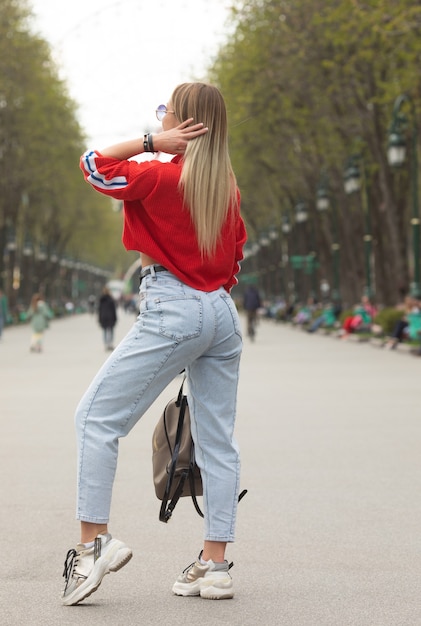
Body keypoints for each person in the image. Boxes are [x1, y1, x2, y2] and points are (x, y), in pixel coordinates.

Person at [62, 82, 247, 606]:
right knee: (218, 441)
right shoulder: (225, 189)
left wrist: (151, 139)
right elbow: (234, 259)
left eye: (167, 115)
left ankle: (93, 546)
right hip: (220, 316)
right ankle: (215, 565)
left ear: (181, 125)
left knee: (96, 419)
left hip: (173, 307)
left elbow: (93, 164)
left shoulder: (157, 175)